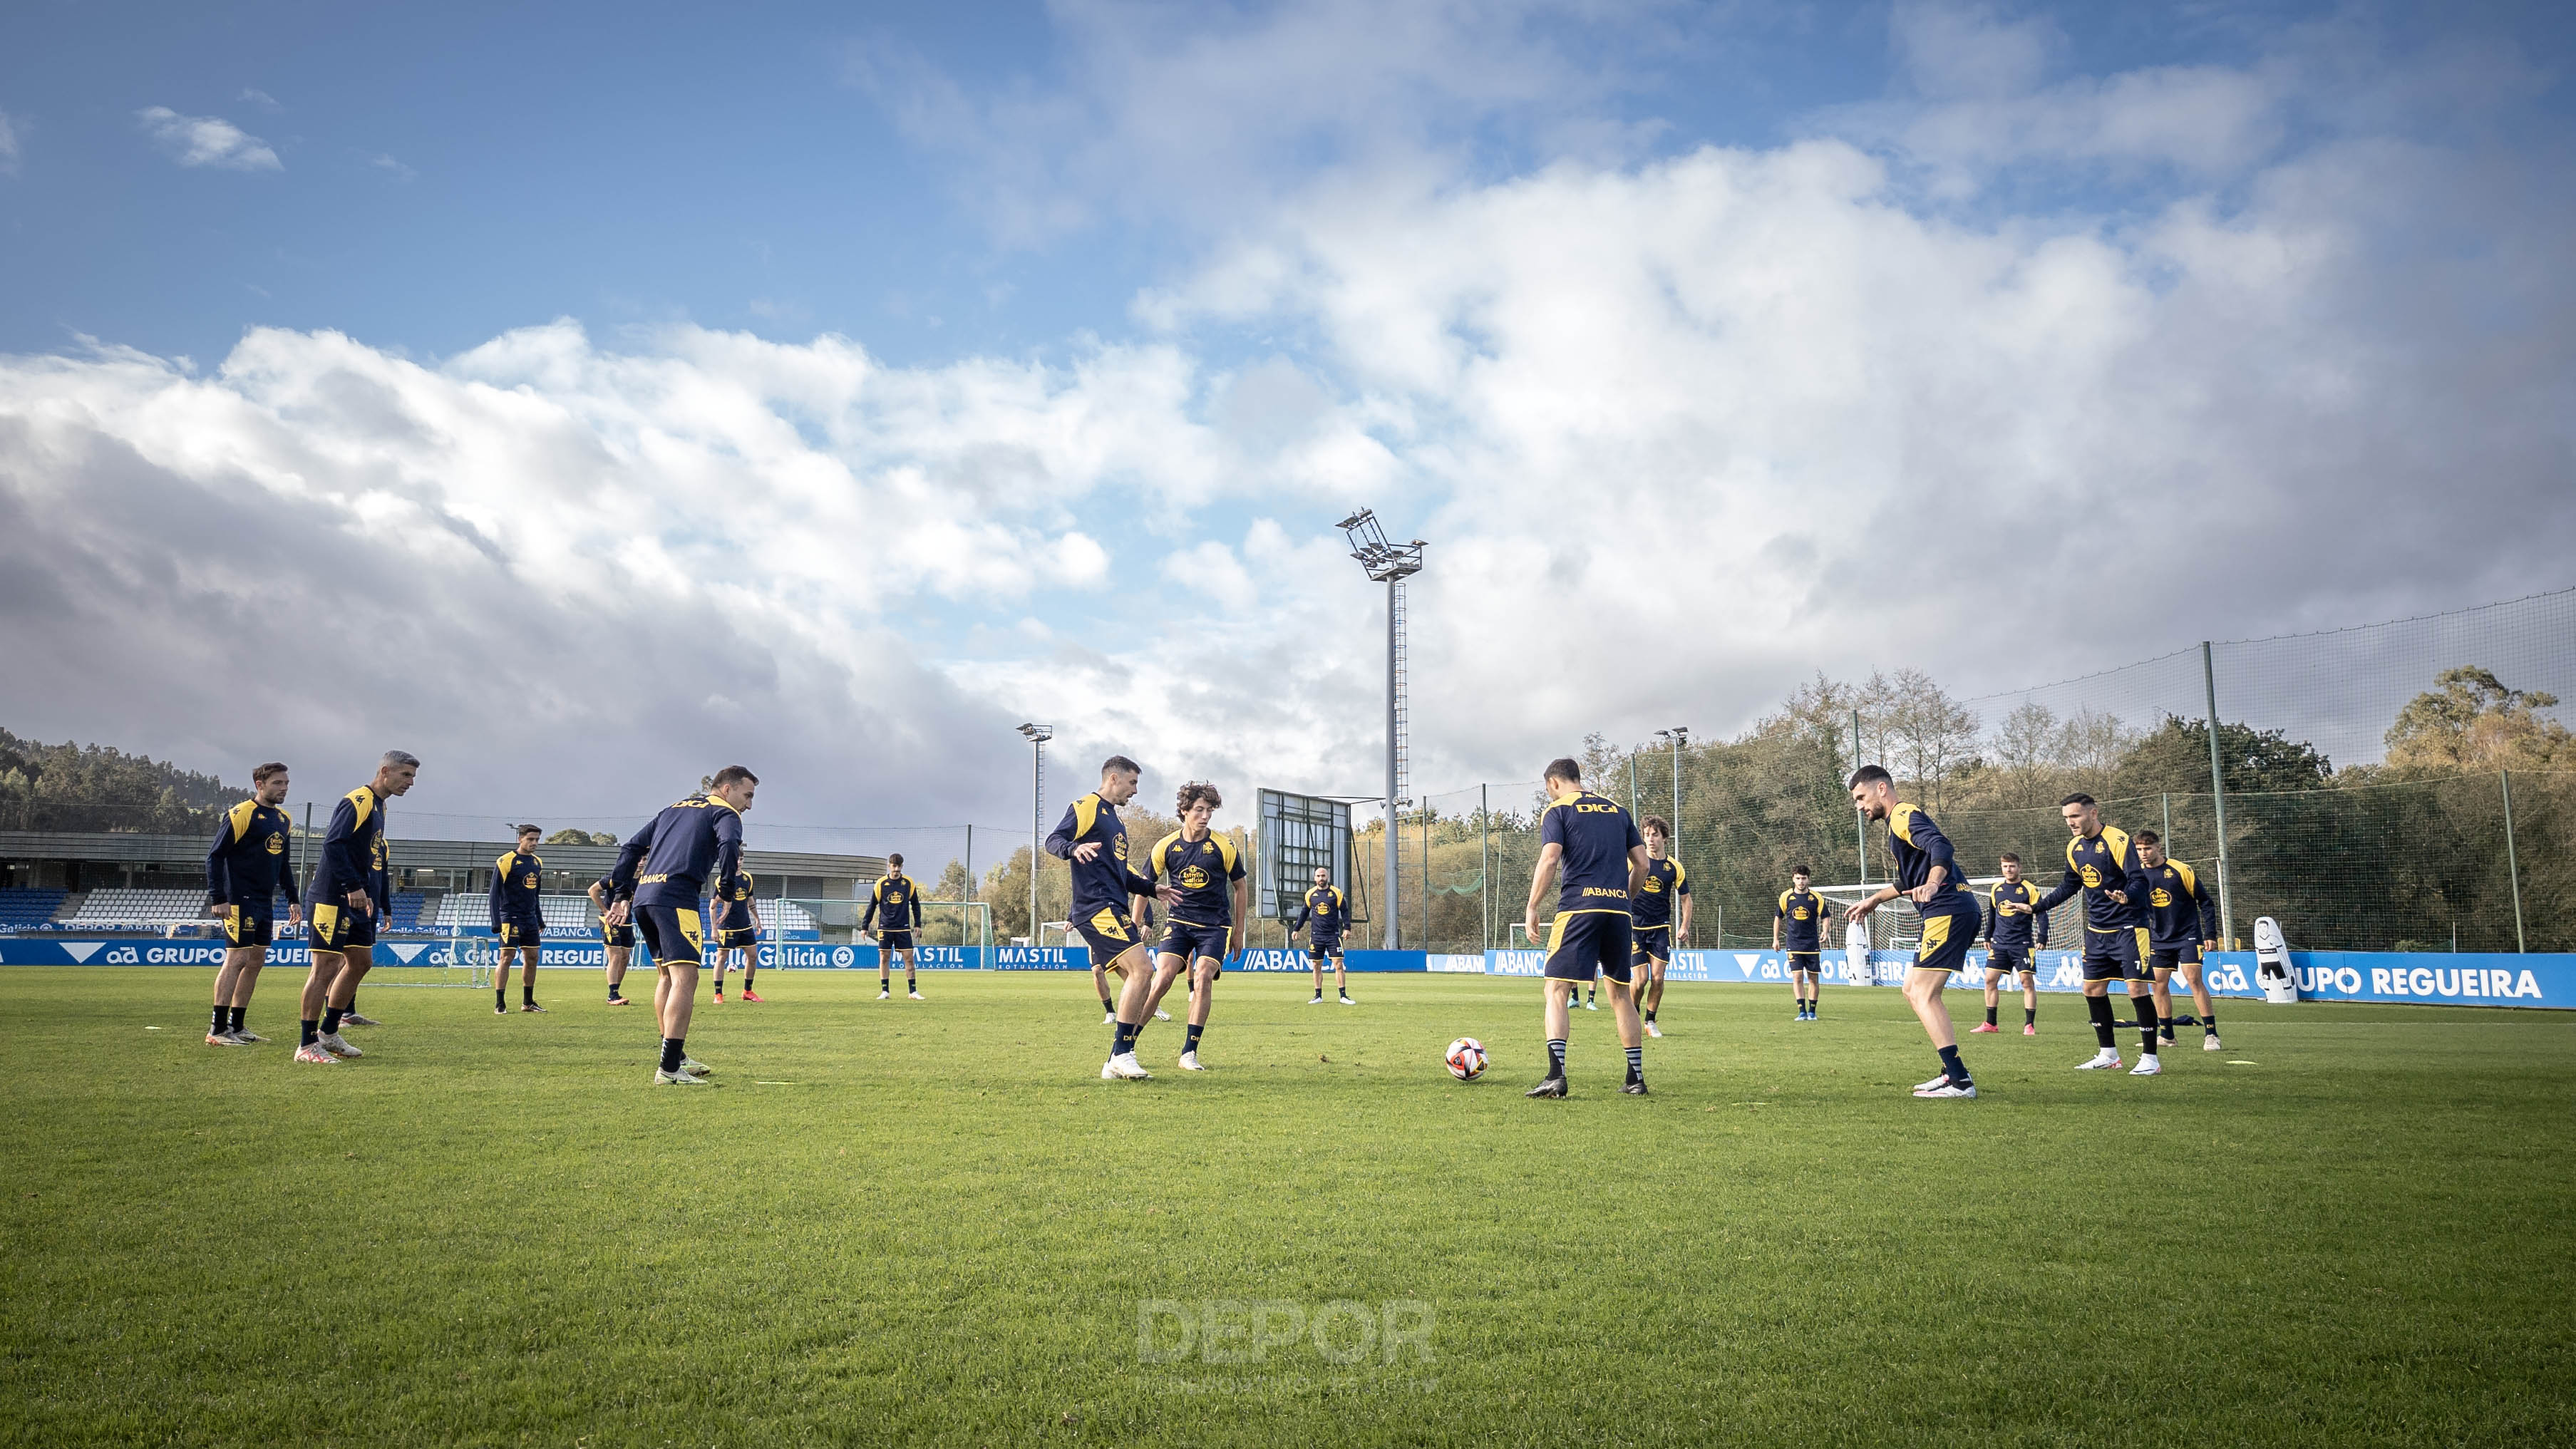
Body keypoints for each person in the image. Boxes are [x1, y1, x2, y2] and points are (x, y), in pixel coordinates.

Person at [606, 766, 757, 1085]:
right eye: (748, 795)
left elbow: (631, 848)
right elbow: (729, 846)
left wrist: (621, 892)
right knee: (686, 977)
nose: (749, 805)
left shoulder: (672, 809)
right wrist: (727, 890)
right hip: (676, 898)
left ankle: (675, 1056)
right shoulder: (725, 812)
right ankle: (670, 1069)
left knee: (667, 976)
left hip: (645, 896)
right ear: (727, 790)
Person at [1842, 765, 1981, 1099]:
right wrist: (1874, 900)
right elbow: (1909, 879)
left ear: (1882, 789)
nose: (1861, 807)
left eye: (1862, 798)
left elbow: (1942, 847)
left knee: (1923, 994)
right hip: (1949, 910)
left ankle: (1961, 1082)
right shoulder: (1898, 825)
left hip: (1948, 910)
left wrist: (1934, 883)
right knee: (1912, 990)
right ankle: (1952, 1073)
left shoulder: (1904, 814)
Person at [1520, 758, 1650, 1098]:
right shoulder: (1618, 810)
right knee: (1621, 994)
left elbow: (1550, 858)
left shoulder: (1558, 810)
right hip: (1619, 911)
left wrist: (1533, 906)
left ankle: (1555, 1075)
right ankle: (1635, 1079)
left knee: (1556, 989)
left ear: (1552, 784)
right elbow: (1643, 863)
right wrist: (1625, 897)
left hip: (1579, 908)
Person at [1044, 756, 1179, 1081]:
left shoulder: (1115, 822)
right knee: (1144, 969)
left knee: (1142, 978)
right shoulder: (1086, 806)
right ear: (1114, 779)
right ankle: (1123, 1053)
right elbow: (1053, 840)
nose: (1135, 791)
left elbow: (1122, 871)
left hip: (1113, 907)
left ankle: (1113, 1062)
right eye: (1133, 783)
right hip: (1095, 907)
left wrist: (1151, 888)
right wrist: (1073, 849)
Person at [293, 751, 418, 1065]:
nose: (410, 783)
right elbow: (333, 844)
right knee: (324, 969)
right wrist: (353, 886)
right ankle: (306, 1045)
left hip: (359, 901)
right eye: (406, 775)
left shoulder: (380, 806)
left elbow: (368, 856)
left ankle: (329, 1032)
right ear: (385, 771)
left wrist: (371, 893)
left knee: (362, 962)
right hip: (332, 897)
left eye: (413, 777)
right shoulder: (358, 800)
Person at [2032, 793, 2163, 1076]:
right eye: (2067, 818)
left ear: (2093, 813)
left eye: (2075, 816)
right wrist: (2036, 907)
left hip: (2129, 927)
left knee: (2136, 989)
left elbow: (2139, 880)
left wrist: (2126, 897)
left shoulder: (2117, 840)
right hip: (2096, 931)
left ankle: (2151, 1058)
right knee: (2092, 989)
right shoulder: (2074, 847)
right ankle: (2109, 1055)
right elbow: (2070, 885)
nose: (2070, 822)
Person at [1133, 783, 1249, 1071]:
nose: (1206, 816)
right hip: (1179, 922)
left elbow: (1241, 888)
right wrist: (1134, 926)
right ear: (1184, 811)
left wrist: (1238, 931)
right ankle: (1127, 1043)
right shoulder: (1166, 846)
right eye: (1199, 810)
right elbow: (1143, 888)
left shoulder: (1224, 846)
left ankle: (1189, 1052)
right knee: (1162, 979)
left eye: (1210, 810)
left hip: (1214, 926)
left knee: (1203, 977)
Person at [202, 761, 300, 1045]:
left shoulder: (283, 820)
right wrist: (219, 898)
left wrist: (293, 898)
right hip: (239, 900)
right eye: (277, 783)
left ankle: (238, 1026)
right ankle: (217, 1030)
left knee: (256, 960)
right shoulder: (241, 813)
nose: (284, 788)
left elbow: (283, 863)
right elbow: (215, 857)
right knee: (237, 959)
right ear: (260, 784)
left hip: (263, 901)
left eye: (286, 783)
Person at [2135, 830, 2223, 1053]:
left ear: (2158, 848)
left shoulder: (2180, 870)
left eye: (2147, 848)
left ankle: (2211, 1034)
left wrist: (2210, 934)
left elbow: (2206, 902)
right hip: (2159, 938)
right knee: (2158, 984)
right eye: (2139, 849)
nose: (2144, 853)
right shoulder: (2137, 875)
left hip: (2188, 934)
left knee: (2194, 980)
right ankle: (2167, 1036)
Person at [1629, 815, 1690, 1038]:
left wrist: (1684, 925)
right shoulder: (1633, 862)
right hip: (1635, 928)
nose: (1650, 839)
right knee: (1640, 980)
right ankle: (1632, 1016)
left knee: (1657, 978)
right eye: (1646, 835)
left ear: (1664, 837)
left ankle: (1650, 1021)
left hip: (1661, 929)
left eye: (1655, 834)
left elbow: (1686, 899)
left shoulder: (1673, 867)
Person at [1975, 852, 2047, 1036]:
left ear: (2019, 867)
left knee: (2026, 982)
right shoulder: (1997, 889)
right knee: (1990, 980)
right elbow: (1992, 914)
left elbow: (2041, 913)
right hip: (1999, 943)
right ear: (2002, 868)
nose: (2009, 870)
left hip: (2022, 944)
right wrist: (1987, 936)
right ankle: (1991, 1023)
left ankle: (2029, 1025)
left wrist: (2042, 937)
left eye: (2012, 866)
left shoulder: (2029, 889)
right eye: (2005, 866)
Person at [489, 824, 547, 1014]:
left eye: (537, 840)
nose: (534, 843)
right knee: (507, 958)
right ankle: (500, 1004)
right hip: (510, 918)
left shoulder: (538, 863)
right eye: (531, 839)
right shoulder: (506, 861)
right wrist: (496, 920)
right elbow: (494, 893)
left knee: (532, 957)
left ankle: (528, 1002)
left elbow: (536, 895)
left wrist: (539, 919)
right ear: (520, 839)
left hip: (529, 918)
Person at [864, 854, 924, 1001]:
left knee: (909, 958)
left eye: (899, 866)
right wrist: (865, 926)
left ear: (902, 866)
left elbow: (915, 905)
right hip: (885, 927)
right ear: (889, 866)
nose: (896, 869)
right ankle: (885, 991)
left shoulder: (908, 883)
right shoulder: (881, 883)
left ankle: (913, 991)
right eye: (893, 866)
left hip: (903, 927)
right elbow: (872, 905)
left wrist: (918, 924)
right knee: (884, 957)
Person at [1291, 867, 1354, 1005]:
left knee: (1338, 964)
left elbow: (1345, 911)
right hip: (1316, 936)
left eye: (1323, 876)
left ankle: (1343, 996)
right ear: (1315, 878)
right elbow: (1303, 913)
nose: (1321, 879)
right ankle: (1318, 996)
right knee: (1316, 966)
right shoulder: (1310, 894)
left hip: (1333, 935)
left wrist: (1347, 928)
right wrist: (1296, 929)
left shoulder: (1336, 893)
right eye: (1318, 876)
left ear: (1328, 877)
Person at [1773, 866, 1828, 1021]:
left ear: (1808, 879)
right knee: (1797, 977)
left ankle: (1812, 1012)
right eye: (1798, 878)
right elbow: (1778, 918)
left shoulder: (1816, 897)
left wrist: (1825, 931)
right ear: (1793, 879)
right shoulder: (1786, 897)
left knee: (1813, 979)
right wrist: (1776, 939)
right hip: (1794, 944)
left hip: (1811, 944)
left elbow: (1825, 916)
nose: (1801, 881)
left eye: (1803, 878)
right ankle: (1802, 1012)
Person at [709, 870, 764, 1003]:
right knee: (721, 958)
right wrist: (714, 928)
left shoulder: (747, 878)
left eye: (741, 859)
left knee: (753, 956)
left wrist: (757, 919)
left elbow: (750, 900)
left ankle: (747, 991)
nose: (739, 862)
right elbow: (712, 905)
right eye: (737, 859)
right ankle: (718, 994)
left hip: (745, 925)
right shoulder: (722, 880)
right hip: (727, 926)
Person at [587, 872, 637, 1005]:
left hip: (627, 921)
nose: (641, 862)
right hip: (609, 920)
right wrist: (605, 911)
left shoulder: (643, 880)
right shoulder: (615, 877)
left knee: (625, 956)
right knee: (615, 956)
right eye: (639, 859)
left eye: (644, 859)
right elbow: (592, 890)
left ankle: (616, 992)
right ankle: (612, 995)